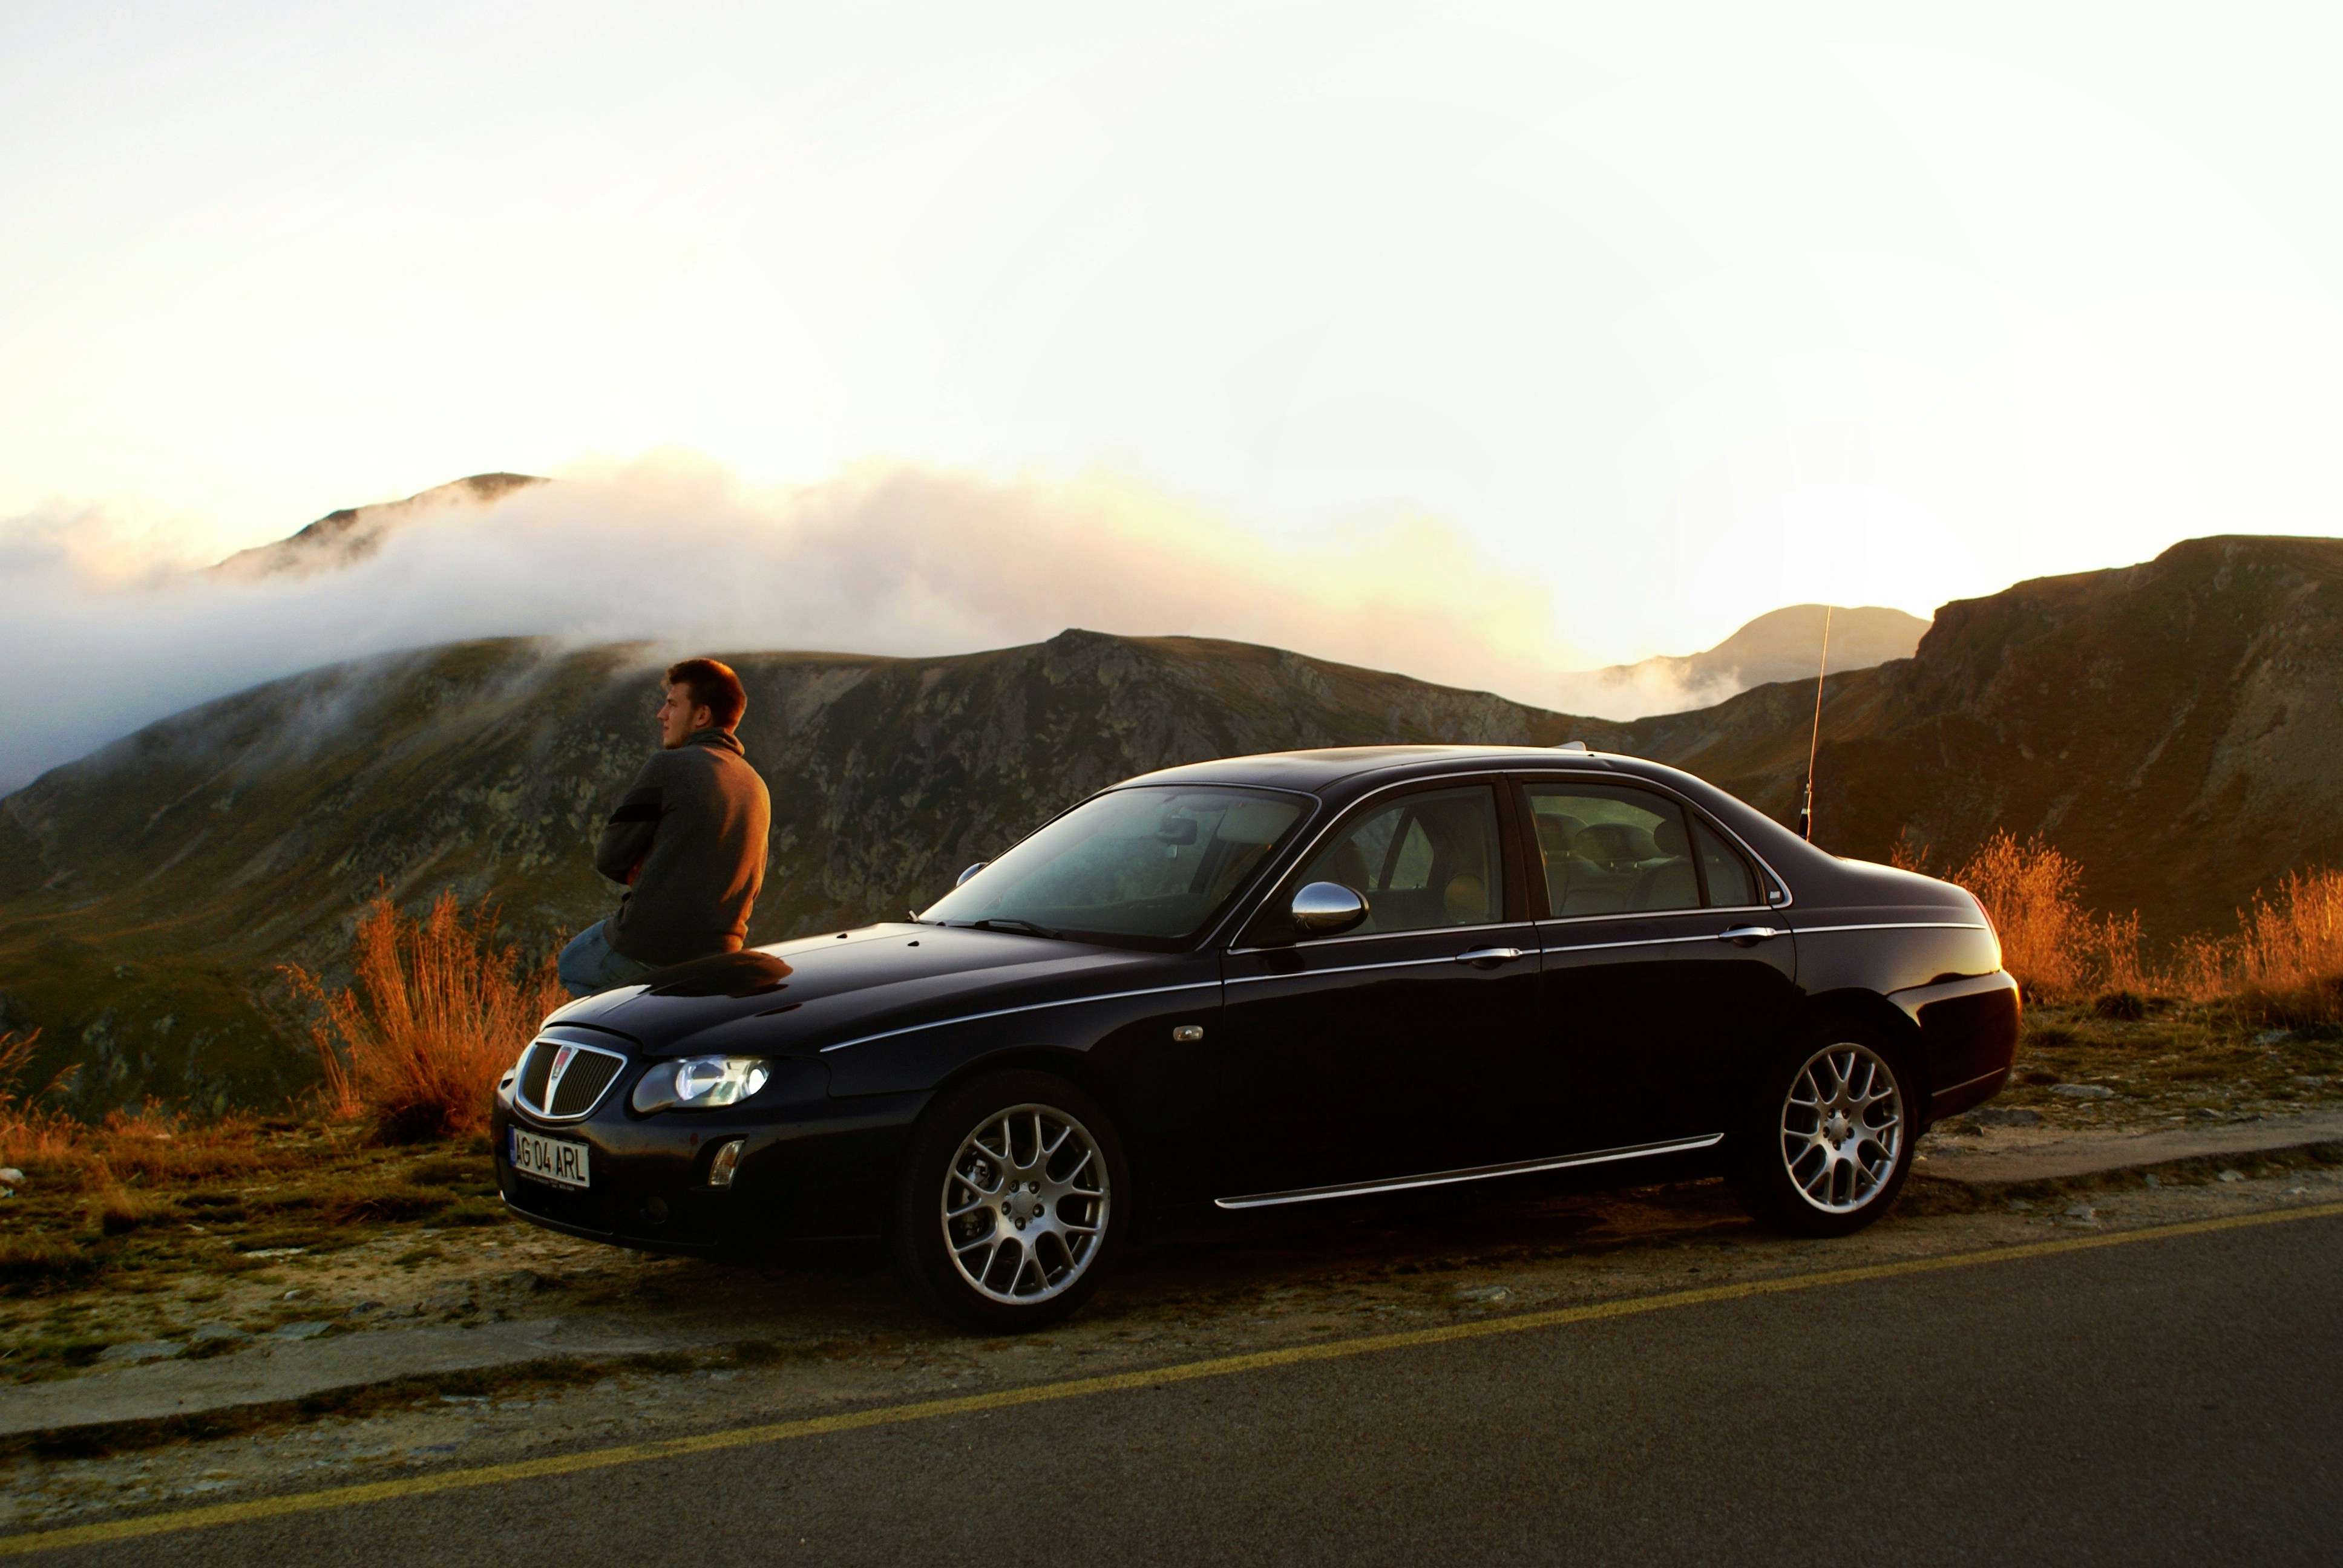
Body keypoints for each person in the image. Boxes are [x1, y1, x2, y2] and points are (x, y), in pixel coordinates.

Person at [558, 658, 772, 997]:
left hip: (652, 947)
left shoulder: (669, 766)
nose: (662, 714)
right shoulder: (756, 785)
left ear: (701, 716)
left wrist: (642, 866)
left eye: (672, 704)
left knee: (572, 964)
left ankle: (618, 1041)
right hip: (720, 954)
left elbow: (610, 856)